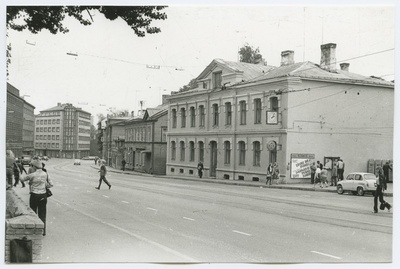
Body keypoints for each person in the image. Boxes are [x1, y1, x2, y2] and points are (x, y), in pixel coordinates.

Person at [21, 159, 53, 236]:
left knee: (33, 213)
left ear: (34, 167)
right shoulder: (45, 174)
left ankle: (34, 230)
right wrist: (45, 186)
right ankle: (43, 231)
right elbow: (51, 184)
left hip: (34, 195)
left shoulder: (32, 175)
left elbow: (22, 179)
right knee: (42, 213)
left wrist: (21, 176)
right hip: (43, 195)